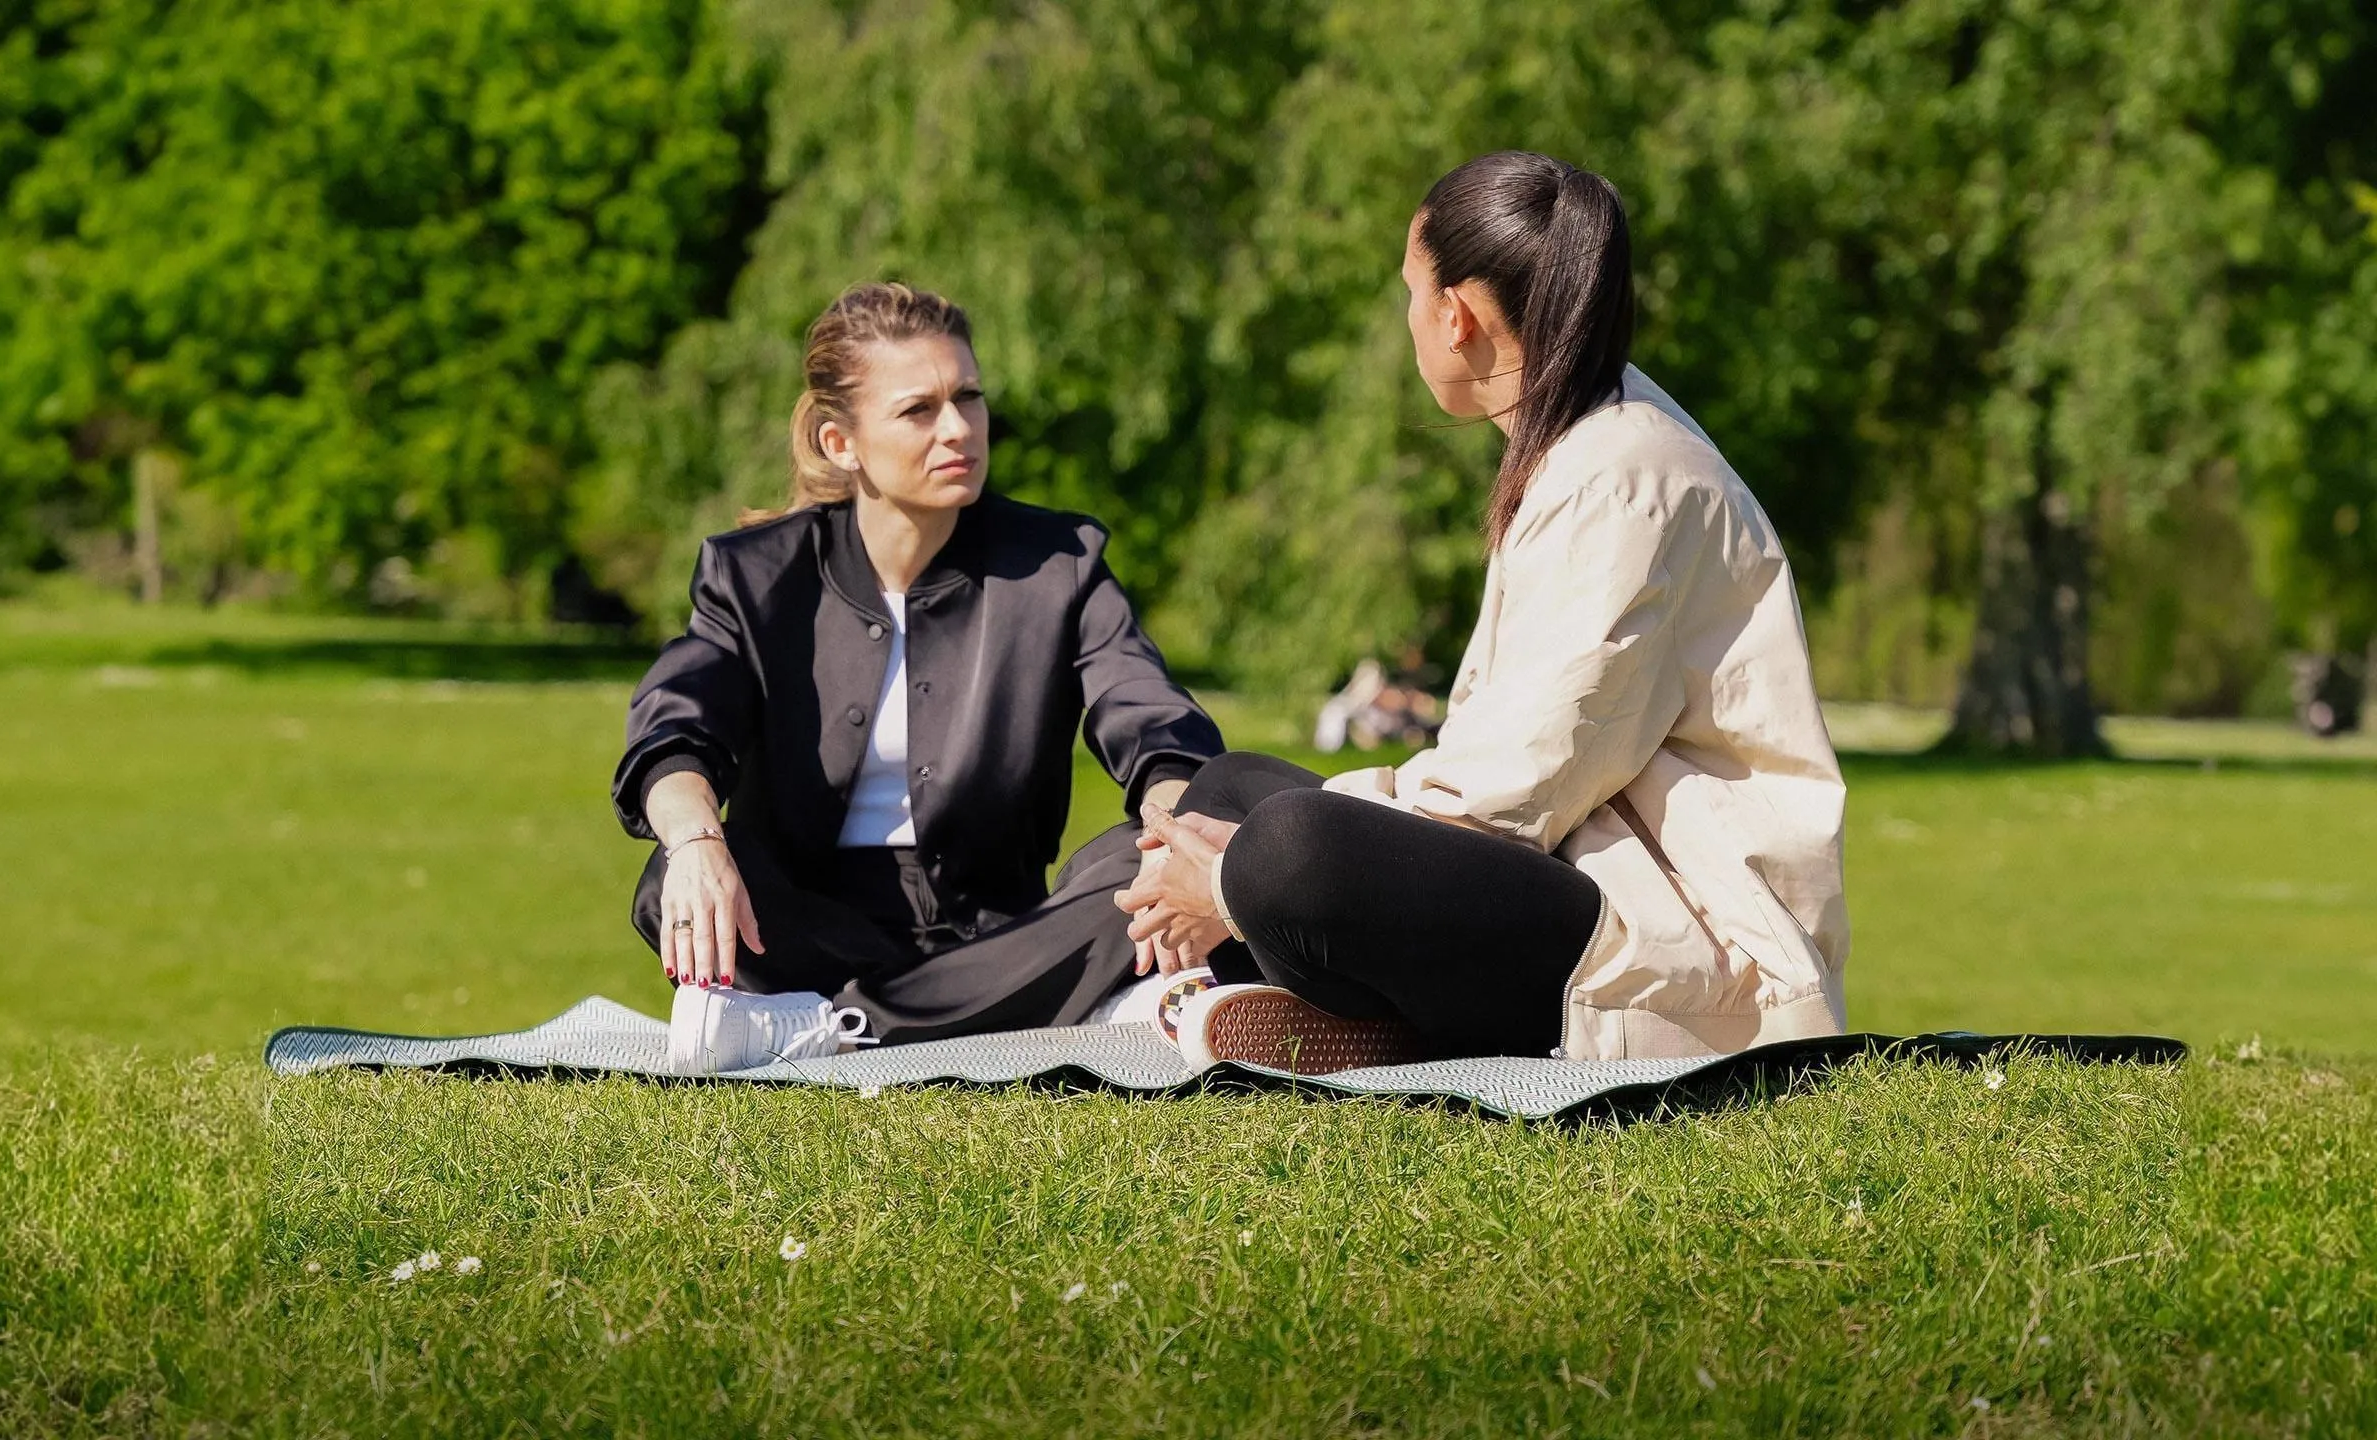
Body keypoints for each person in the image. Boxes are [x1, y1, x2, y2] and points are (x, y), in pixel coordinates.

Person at [1116, 151, 1850, 1072]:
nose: (1410, 319)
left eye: (1410, 295)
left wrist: (1226, 878)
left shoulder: (1623, 478)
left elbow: (1505, 798)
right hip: (1567, 876)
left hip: (1680, 945)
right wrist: (1221, 847)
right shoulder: (1583, 441)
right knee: (1227, 793)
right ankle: (1361, 1022)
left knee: (1286, 848)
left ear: (1454, 315)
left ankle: (1327, 1005)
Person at [614, 282, 1223, 1073]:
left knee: (1126, 867)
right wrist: (697, 841)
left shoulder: (1060, 564)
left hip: (1000, 931)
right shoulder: (754, 575)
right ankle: (1071, 1009)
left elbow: (1151, 720)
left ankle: (829, 1026)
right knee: (672, 871)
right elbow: (677, 728)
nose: (960, 429)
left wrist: (1175, 836)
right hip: (803, 927)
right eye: (919, 410)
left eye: (969, 398)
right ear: (841, 442)